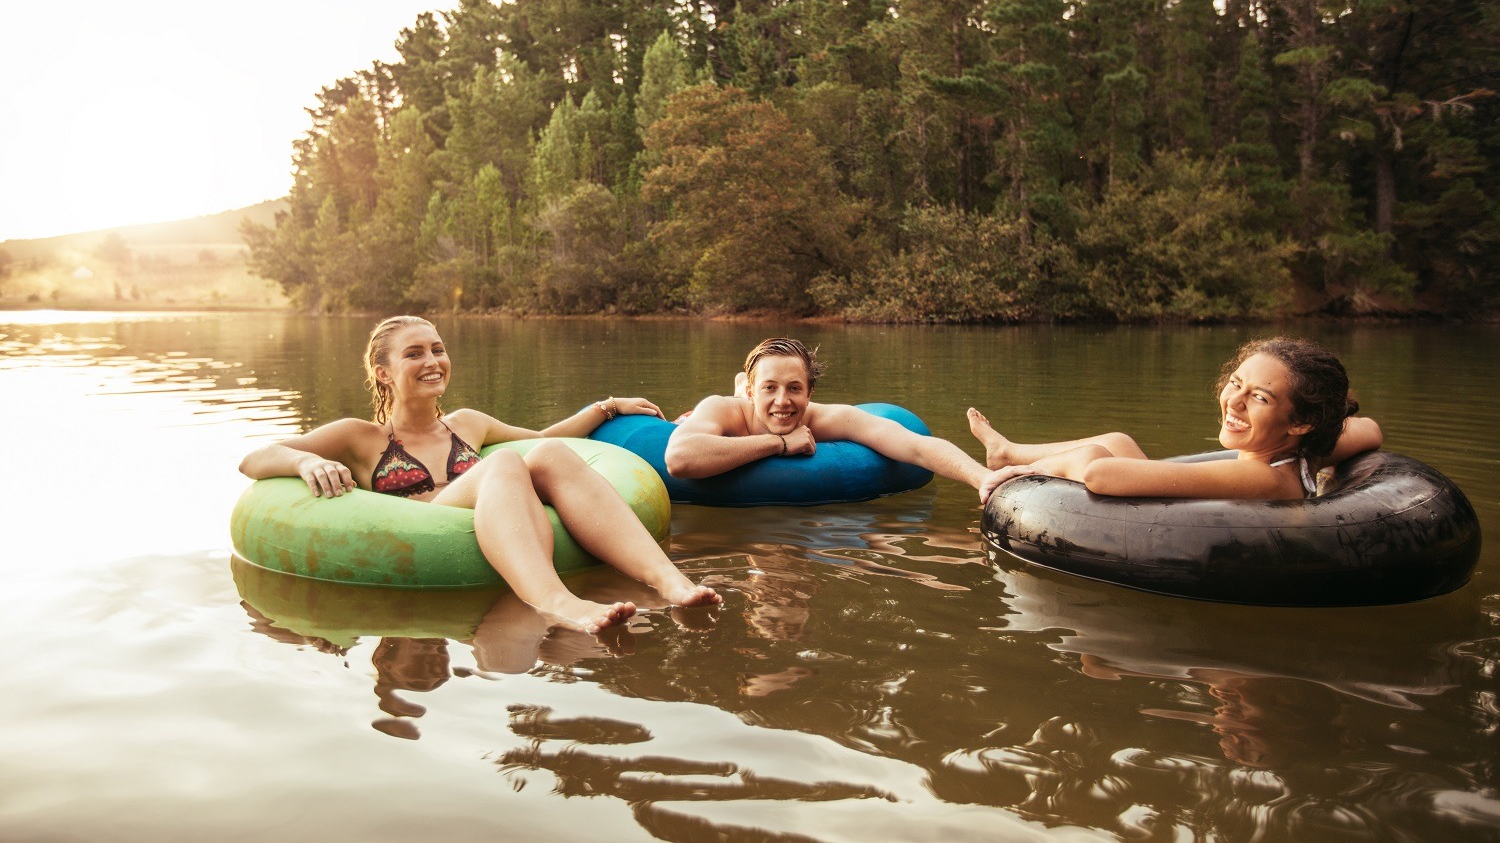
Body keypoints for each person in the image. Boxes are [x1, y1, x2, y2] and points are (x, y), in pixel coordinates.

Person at [239, 315, 720, 634]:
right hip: (424, 526)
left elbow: (546, 438)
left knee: (544, 455)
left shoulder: (468, 423)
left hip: (495, 508)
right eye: (414, 354)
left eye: (437, 349)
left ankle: (670, 581)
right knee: (506, 462)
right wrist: (306, 460)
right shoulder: (359, 437)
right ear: (383, 372)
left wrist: (608, 407)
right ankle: (557, 602)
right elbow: (254, 459)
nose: (432, 362)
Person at [971, 336, 1383, 504]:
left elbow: (1098, 476)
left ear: (1301, 422)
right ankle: (1006, 450)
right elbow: (1370, 430)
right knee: (1119, 438)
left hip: (1164, 531)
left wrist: (1037, 471)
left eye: (1258, 397)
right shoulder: (1305, 450)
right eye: (1236, 384)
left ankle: (1018, 462)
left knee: (1097, 454)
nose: (1234, 402)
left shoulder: (1264, 478)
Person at [664, 337, 995, 492]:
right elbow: (678, 459)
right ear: (752, 393)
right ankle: (740, 383)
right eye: (769, 388)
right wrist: (777, 444)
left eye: (795, 388)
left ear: (810, 394)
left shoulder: (827, 419)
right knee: (728, 405)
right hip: (731, 412)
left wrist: (981, 477)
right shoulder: (721, 408)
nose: (783, 401)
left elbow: (915, 445)